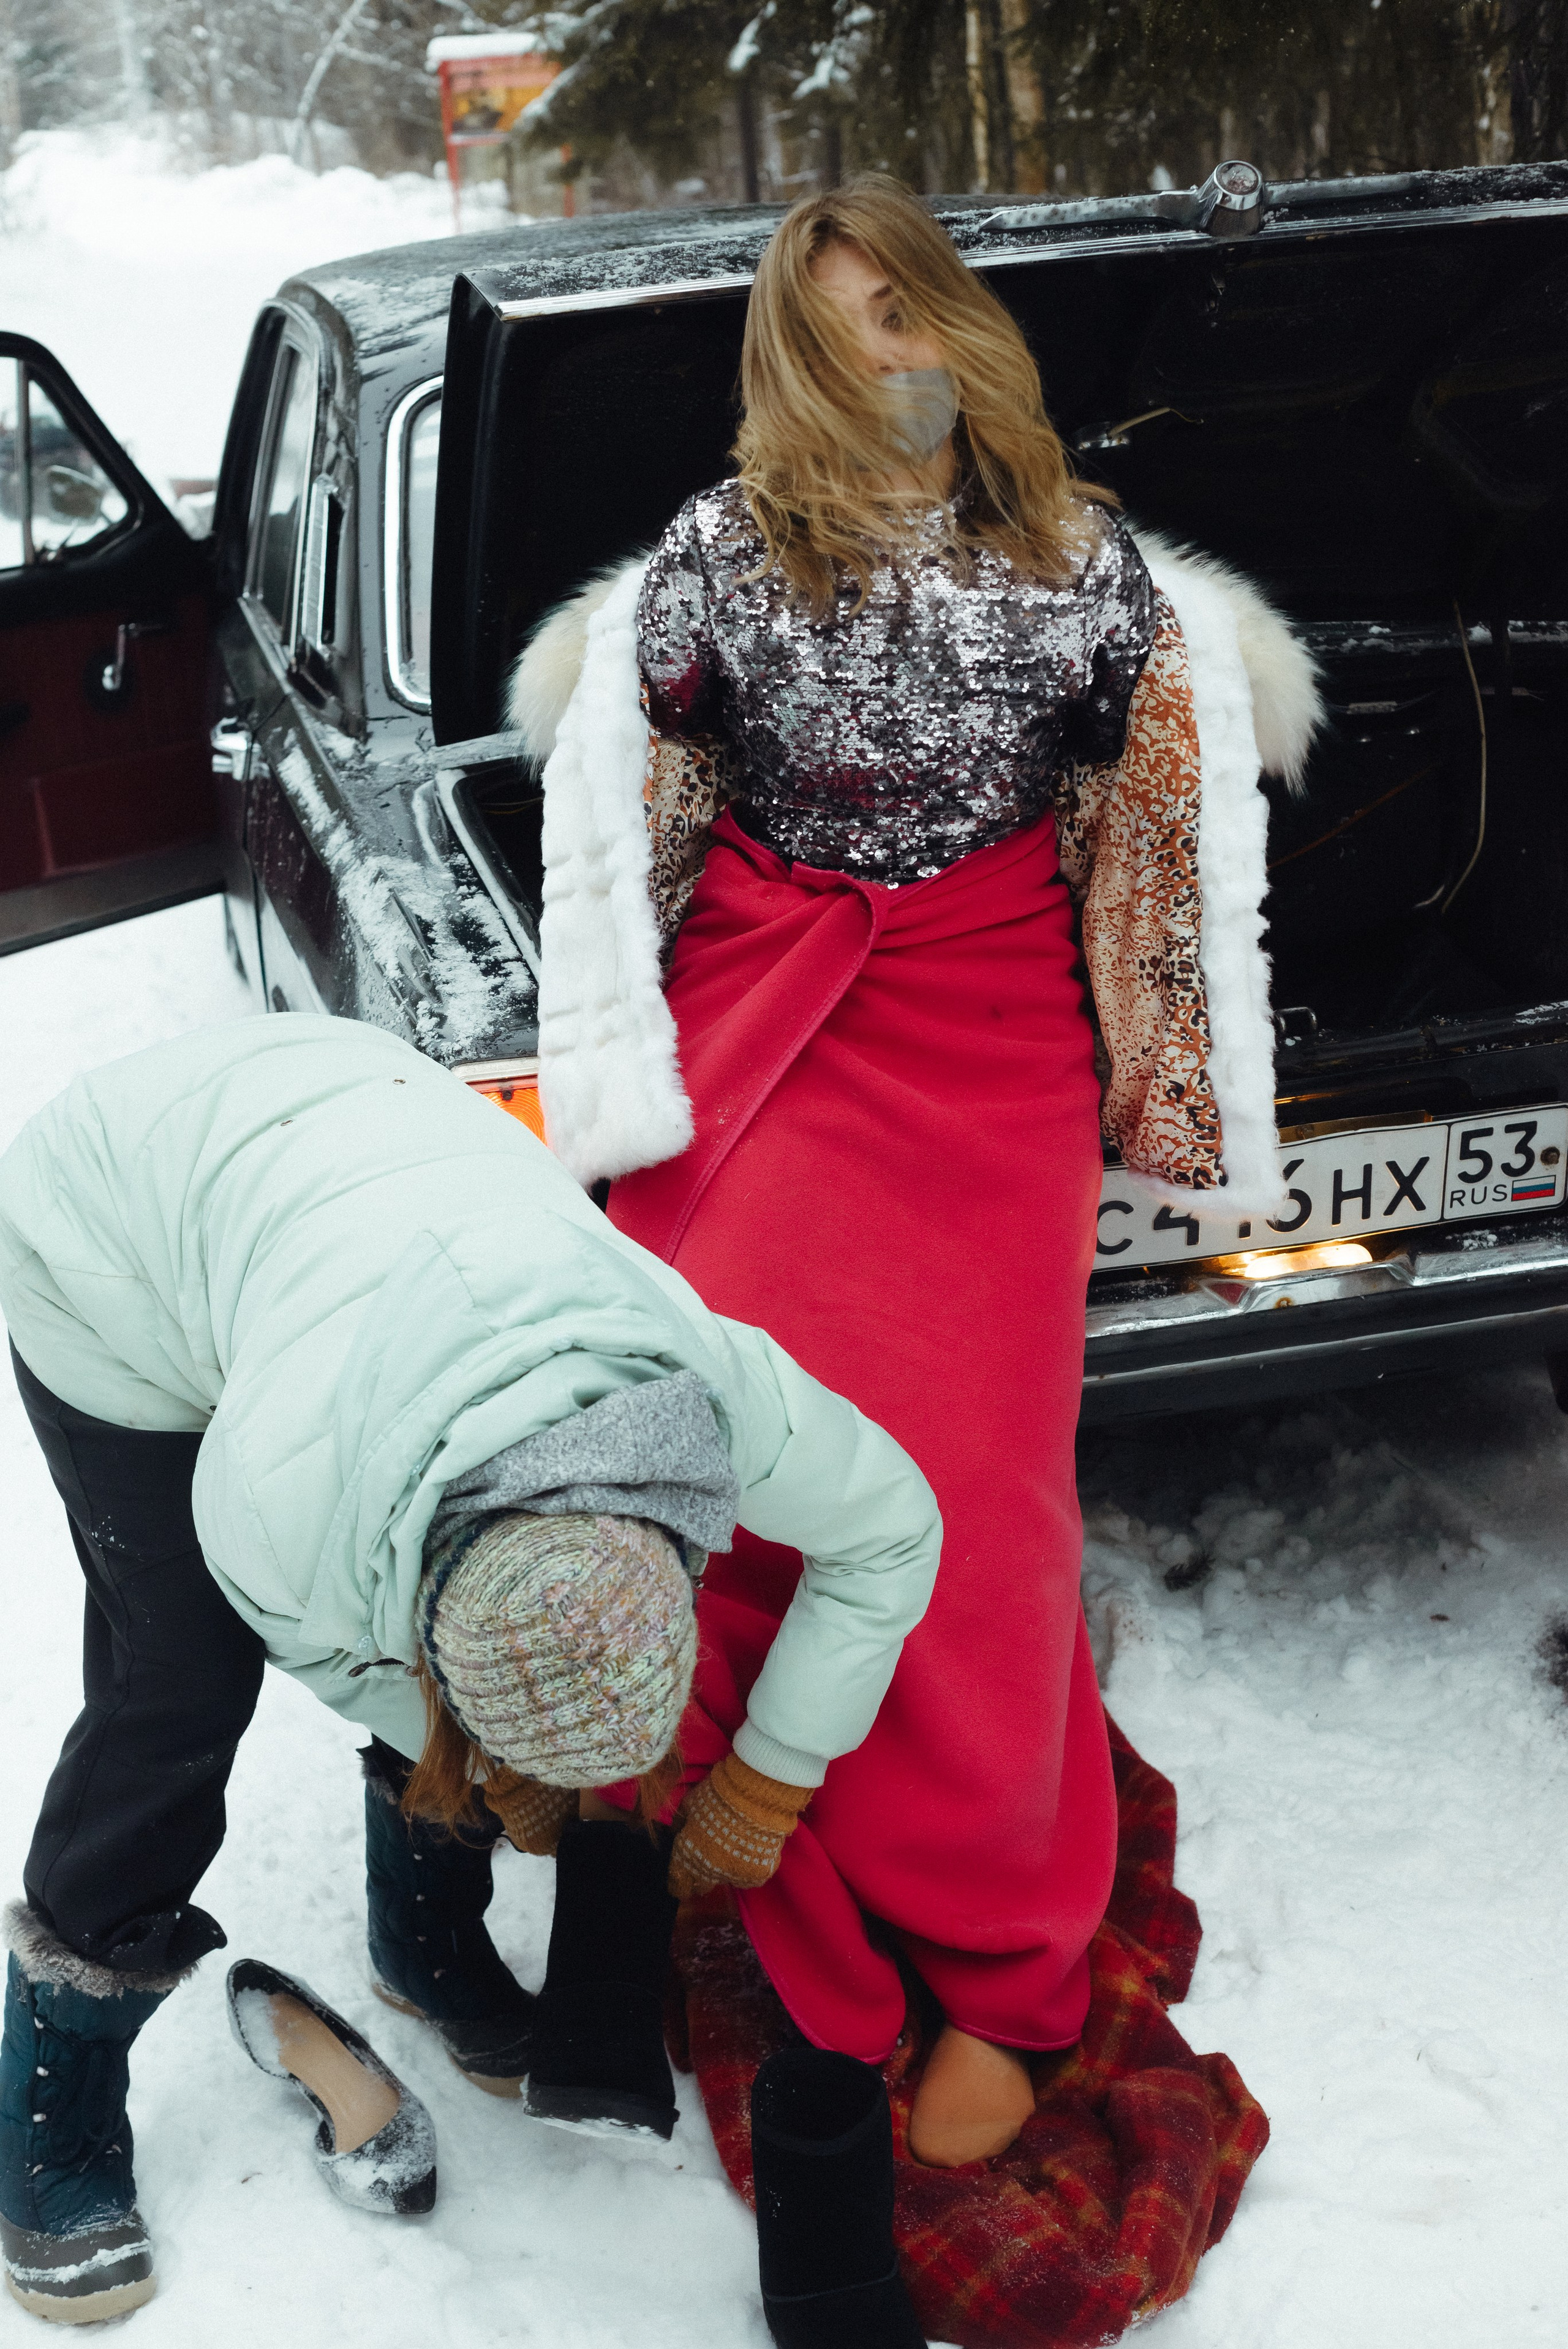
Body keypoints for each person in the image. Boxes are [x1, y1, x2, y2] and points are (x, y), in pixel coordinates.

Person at [509, 171, 1316, 2214]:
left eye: (920, 309)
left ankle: (1016, 1963)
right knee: (755, 1470)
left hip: (986, 1034)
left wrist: (1183, 1071)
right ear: (794, 349)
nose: (898, 348)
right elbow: (623, 786)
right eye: (857, 319)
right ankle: (786, 1871)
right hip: (769, 1013)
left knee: (975, 1511)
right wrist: (626, 1041)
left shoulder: (1086, 551)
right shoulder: (709, 553)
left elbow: (1168, 817)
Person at [0, 1015, 941, 2332]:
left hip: (350, 1116)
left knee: (495, 1665)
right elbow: (340, 1645)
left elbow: (894, 1527)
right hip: (111, 1222)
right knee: (177, 1690)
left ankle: (419, 1939)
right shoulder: (276, 1504)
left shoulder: (705, 1391)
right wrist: (488, 1775)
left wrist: (773, 1770)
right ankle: (52, 2094)